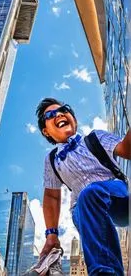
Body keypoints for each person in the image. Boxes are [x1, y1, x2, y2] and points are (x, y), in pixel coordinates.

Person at [36, 97, 130, 276]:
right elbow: (52, 196)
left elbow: (127, 149)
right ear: (46, 131)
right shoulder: (52, 160)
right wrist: (51, 234)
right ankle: (105, 272)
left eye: (64, 109)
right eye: (51, 114)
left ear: (74, 119)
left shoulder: (96, 138)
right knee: (81, 205)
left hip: (118, 195)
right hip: (86, 208)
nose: (59, 114)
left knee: (91, 193)